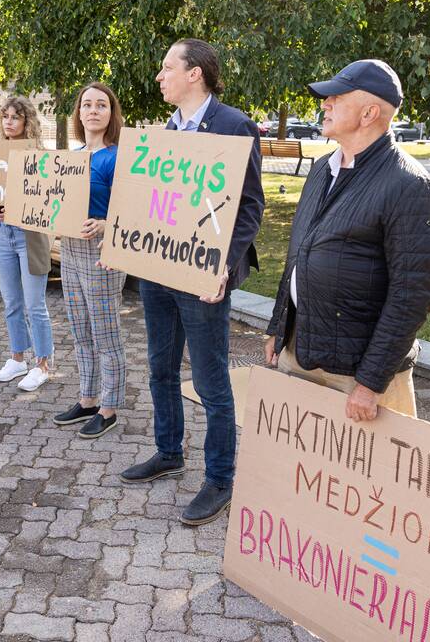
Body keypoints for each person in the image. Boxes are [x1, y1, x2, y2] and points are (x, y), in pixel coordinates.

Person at [120, 39, 265, 526]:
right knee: (161, 367)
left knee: (209, 379)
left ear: (195, 74)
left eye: (167, 68)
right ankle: (169, 451)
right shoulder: (165, 130)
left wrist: (223, 263)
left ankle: (220, 478)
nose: (159, 76)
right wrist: (123, 240)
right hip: (161, 271)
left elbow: (249, 208)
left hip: (203, 275)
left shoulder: (234, 125)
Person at [263, 59, 430, 421]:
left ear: (369, 113)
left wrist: (370, 382)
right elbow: (299, 253)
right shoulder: (321, 169)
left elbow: (412, 296)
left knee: (370, 476)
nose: (324, 104)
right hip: (302, 351)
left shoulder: (408, 185)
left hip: (357, 374)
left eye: (336, 97)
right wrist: (278, 328)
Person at [51, 82, 128, 439]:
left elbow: (134, 212)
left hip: (102, 252)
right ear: (78, 113)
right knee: (79, 328)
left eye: (101, 105)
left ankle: (109, 407)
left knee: (105, 331)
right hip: (70, 249)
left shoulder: (118, 157)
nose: (93, 110)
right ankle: (87, 398)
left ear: (111, 113)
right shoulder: (73, 156)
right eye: (87, 105)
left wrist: (105, 224)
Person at [0, 96, 55, 391]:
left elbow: (49, 198)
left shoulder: (40, 155)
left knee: (34, 304)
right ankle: (18, 357)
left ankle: (43, 364)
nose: (9, 122)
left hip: (30, 235)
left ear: (27, 121)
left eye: (15, 117)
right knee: (12, 303)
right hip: (2, 233)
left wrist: (18, 208)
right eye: (5, 116)